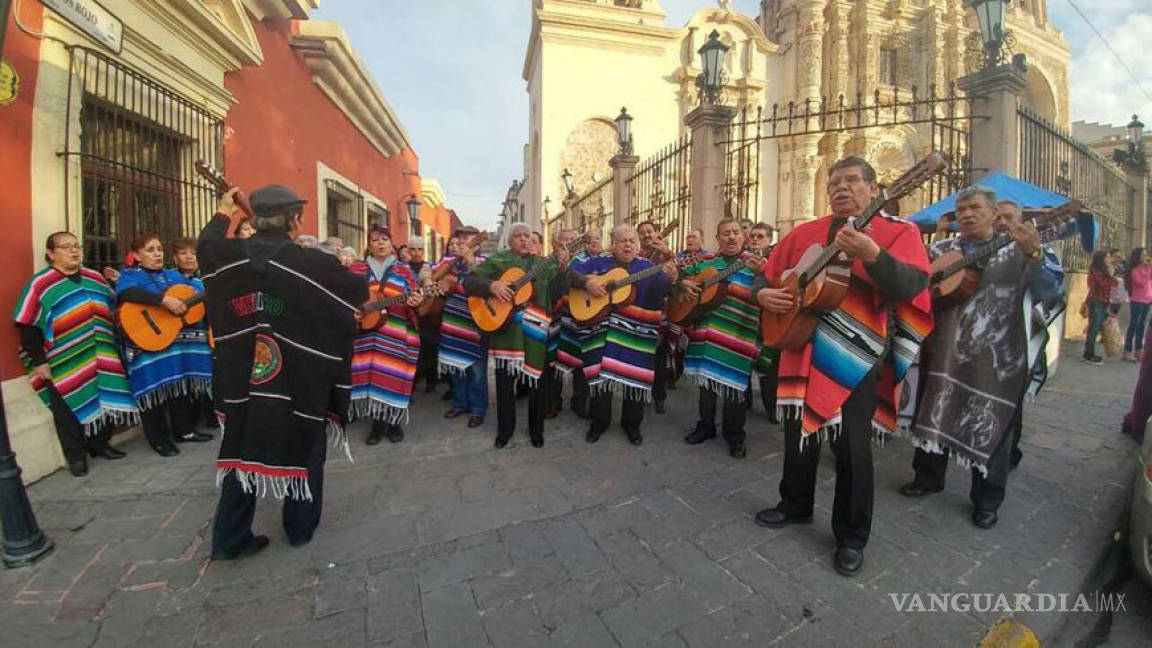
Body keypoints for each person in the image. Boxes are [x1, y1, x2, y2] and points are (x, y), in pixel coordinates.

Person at [753, 156, 933, 577]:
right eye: (834, 182)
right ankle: (794, 504)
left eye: (852, 180)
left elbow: (912, 286)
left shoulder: (897, 232)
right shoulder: (804, 233)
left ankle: (852, 536)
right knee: (798, 433)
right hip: (800, 345)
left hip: (857, 354)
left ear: (874, 189)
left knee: (852, 448)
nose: (841, 188)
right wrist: (762, 297)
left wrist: (872, 254)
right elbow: (765, 276)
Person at [200, 184, 367, 560]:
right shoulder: (312, 263)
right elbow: (356, 291)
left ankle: (229, 538)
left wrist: (223, 212)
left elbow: (206, 244)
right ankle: (299, 528)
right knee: (306, 445)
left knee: (239, 450)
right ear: (294, 219)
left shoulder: (226, 256)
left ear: (254, 219)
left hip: (243, 379)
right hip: (299, 377)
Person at [899, 186, 1064, 530]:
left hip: (996, 357)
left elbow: (1051, 290)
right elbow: (917, 286)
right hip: (943, 350)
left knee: (993, 425)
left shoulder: (1021, 250)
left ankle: (987, 499)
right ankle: (928, 477)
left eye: (975, 208)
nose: (967, 214)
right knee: (933, 409)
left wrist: (1034, 253)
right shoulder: (941, 250)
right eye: (961, 210)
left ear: (994, 214)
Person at [12, 232, 136, 476]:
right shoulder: (41, 284)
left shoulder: (94, 278)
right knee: (67, 409)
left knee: (104, 398)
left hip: (102, 352)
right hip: (63, 358)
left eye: (76, 246)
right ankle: (76, 456)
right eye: (66, 247)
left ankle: (100, 444)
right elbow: (26, 323)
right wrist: (39, 361)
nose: (74, 251)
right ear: (51, 254)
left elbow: (113, 308)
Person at [463, 223, 573, 448]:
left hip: (536, 332)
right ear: (510, 240)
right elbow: (470, 282)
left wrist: (563, 270)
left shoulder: (542, 263)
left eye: (528, 235)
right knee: (504, 387)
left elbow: (556, 292)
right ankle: (505, 431)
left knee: (538, 386)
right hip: (506, 333)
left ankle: (537, 430)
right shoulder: (498, 260)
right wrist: (492, 285)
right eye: (518, 236)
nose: (524, 239)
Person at [572, 225, 677, 445]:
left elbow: (662, 293)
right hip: (599, 331)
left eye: (632, 241)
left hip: (634, 333)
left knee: (633, 379)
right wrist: (587, 282)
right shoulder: (595, 262)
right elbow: (567, 273)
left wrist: (671, 278)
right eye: (623, 241)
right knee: (600, 381)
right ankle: (598, 423)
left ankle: (632, 425)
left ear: (637, 245)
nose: (628, 245)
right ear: (613, 244)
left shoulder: (647, 267)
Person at [115, 234, 214, 457]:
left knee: (179, 387)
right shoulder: (130, 275)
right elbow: (126, 293)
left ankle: (184, 431)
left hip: (174, 344)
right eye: (150, 250)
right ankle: (158, 440)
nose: (157, 253)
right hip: (147, 342)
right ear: (137, 256)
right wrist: (163, 301)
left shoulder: (175, 276)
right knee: (154, 391)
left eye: (159, 249)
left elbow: (196, 293)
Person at [680, 218, 761, 459]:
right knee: (706, 386)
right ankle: (705, 427)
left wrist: (762, 275)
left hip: (739, 335)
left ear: (743, 237)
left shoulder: (755, 265)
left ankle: (735, 437)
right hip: (706, 335)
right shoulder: (707, 263)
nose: (732, 237)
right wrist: (683, 283)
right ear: (717, 239)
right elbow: (679, 279)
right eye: (726, 233)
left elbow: (771, 287)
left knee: (735, 389)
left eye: (736, 232)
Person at [349, 226, 425, 444]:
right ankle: (377, 425)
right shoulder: (356, 269)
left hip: (396, 332)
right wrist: (353, 310)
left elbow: (414, 300)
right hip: (365, 334)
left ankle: (394, 423)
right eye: (375, 240)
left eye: (384, 239)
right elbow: (346, 296)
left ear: (391, 243)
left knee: (393, 376)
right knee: (373, 378)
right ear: (368, 244)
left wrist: (416, 302)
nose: (380, 243)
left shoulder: (403, 270)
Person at [436, 231, 489, 427]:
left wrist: (471, 262)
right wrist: (431, 281)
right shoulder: (448, 263)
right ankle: (460, 404)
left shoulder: (486, 262)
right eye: (460, 241)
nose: (463, 244)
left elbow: (486, 283)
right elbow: (429, 273)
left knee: (476, 370)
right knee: (455, 365)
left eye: (468, 240)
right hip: (452, 320)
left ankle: (477, 409)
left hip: (476, 321)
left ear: (477, 242)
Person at [172, 237, 220, 431]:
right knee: (187, 382)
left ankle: (212, 417)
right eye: (183, 253)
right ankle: (189, 423)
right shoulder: (170, 280)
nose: (189, 257)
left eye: (193, 253)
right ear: (175, 258)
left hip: (204, 336)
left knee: (208, 378)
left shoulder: (207, 279)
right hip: (178, 339)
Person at [637, 220, 674, 412]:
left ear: (658, 233)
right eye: (642, 233)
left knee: (659, 358)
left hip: (659, 313)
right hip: (639, 312)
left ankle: (659, 396)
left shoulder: (666, 254)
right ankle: (641, 392)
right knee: (641, 356)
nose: (646, 235)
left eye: (649, 231)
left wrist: (666, 254)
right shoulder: (636, 256)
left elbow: (675, 277)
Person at [744, 223, 779, 421]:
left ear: (769, 240)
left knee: (768, 369)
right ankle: (745, 402)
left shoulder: (777, 258)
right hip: (745, 318)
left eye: (760, 236)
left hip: (767, 322)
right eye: (753, 236)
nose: (756, 239)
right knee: (745, 364)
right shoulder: (742, 259)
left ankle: (771, 408)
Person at [1083, 250, 1116, 365]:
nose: (1109, 260)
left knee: (1097, 327)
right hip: (1096, 300)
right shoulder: (1095, 270)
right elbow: (1104, 284)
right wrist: (1111, 276)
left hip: (1103, 301)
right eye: (1106, 258)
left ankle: (1090, 352)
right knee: (1094, 329)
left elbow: (1114, 284)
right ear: (1101, 259)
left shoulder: (1105, 270)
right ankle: (1088, 354)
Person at [1123, 248, 1151, 362]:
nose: (1146, 256)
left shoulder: (1147, 268)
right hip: (1137, 300)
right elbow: (1142, 283)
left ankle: (1139, 350)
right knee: (1134, 325)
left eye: (1146, 254)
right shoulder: (1134, 270)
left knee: (1142, 326)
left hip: (1147, 300)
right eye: (1143, 254)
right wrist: (1148, 268)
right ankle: (1127, 351)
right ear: (1138, 256)